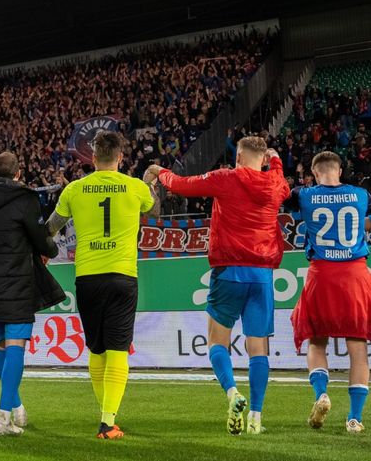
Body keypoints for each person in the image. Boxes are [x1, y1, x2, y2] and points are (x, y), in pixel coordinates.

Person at [147, 136, 290, 435]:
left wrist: (160, 171)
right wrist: (274, 160)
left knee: (216, 341)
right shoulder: (275, 183)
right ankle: (256, 417)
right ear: (262, 159)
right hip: (262, 274)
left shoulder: (225, 178)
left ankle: (232, 393)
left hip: (229, 271)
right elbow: (282, 180)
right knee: (258, 348)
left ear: (238, 155)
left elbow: (181, 184)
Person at [47, 132, 160, 440]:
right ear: (120, 158)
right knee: (118, 348)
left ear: (92, 158)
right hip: (123, 276)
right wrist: (151, 184)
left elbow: (51, 228)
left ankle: (107, 416)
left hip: (87, 277)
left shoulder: (74, 189)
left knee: (96, 349)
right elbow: (155, 211)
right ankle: (108, 420)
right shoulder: (136, 188)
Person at [0, 151, 64, 436]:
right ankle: (3, 417)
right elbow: (41, 241)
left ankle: (16, 405)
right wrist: (51, 248)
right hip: (18, 281)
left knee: (1, 346)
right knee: (16, 345)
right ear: (18, 174)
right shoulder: (25, 199)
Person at [286, 151, 371, 434]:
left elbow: (277, 197)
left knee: (317, 342)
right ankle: (354, 419)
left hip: (322, 274)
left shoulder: (304, 195)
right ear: (339, 170)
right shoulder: (361, 195)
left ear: (313, 173)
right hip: (355, 274)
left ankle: (322, 395)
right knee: (358, 349)